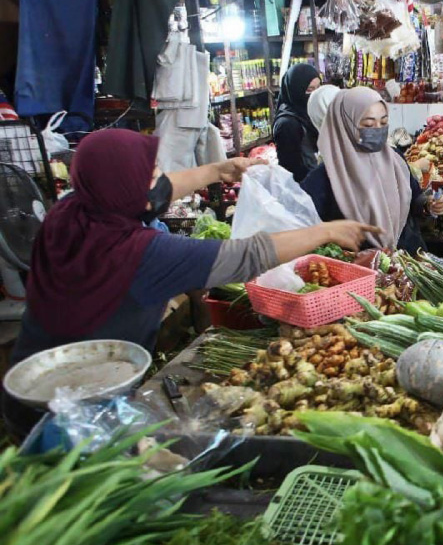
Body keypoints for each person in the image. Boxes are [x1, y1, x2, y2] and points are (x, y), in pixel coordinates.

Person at [4, 129, 376, 436]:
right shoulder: (139, 253)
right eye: (148, 175)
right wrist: (327, 230)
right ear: (124, 189)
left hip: (34, 381)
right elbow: (247, 256)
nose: (158, 181)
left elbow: (159, 190)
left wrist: (218, 170)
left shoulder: (72, 210)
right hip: (72, 416)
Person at [300, 87, 443, 254]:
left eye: (383, 122)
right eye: (369, 124)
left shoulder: (394, 160)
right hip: (362, 273)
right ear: (347, 125)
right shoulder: (326, 177)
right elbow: (302, 226)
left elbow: (415, 199)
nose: (378, 130)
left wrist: (429, 205)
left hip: (411, 263)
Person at [273, 63, 322, 182]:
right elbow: (290, 170)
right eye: (309, 90)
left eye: (318, 88)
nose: (315, 94)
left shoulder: (309, 114)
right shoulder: (287, 124)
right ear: (296, 89)